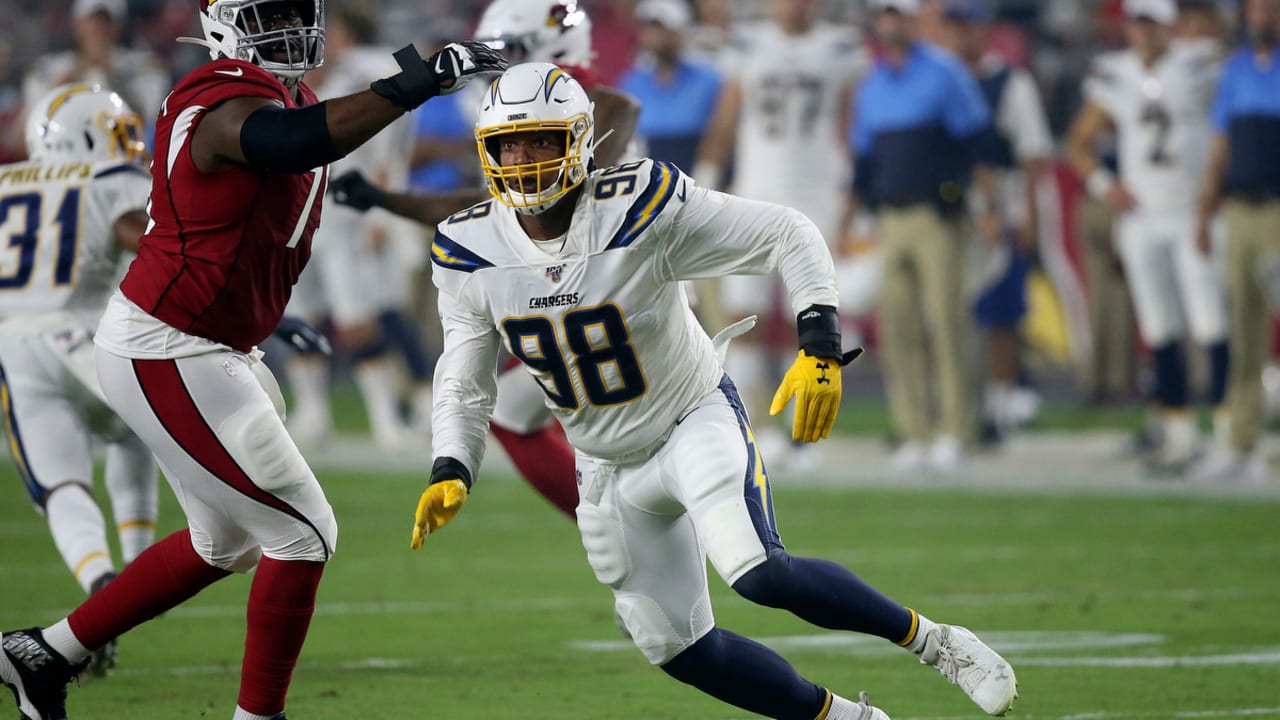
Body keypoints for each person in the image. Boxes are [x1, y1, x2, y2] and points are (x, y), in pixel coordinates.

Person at [412, 61, 1018, 720]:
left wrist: (819, 348)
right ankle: (849, 719)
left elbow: (788, 232)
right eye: (509, 144)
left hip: (688, 415)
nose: (523, 160)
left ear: (581, 141)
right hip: (604, 464)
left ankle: (939, 645)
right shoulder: (468, 248)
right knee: (675, 647)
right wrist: (453, 463)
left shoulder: (637, 204)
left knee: (758, 571)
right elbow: (465, 374)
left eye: (540, 141)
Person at [0, 0, 506, 716]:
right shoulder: (216, 93)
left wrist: (272, 317)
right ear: (222, 22)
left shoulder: (287, 93)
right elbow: (288, 143)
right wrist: (411, 85)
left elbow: (276, 180)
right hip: (167, 344)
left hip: (210, 342)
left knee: (224, 543)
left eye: (299, 10)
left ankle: (43, 654)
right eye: (270, 12)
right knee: (303, 534)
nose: (291, 25)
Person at [0, 83, 158, 678]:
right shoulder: (109, 179)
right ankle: (138, 574)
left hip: (16, 343)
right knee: (135, 434)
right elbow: (148, 242)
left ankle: (100, 579)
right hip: (90, 334)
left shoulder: (5, 182)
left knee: (62, 484)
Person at [694, 0, 865, 465]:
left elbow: (854, 126)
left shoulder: (841, 48)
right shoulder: (747, 46)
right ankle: (756, 427)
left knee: (812, 321)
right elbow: (725, 123)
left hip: (820, 197)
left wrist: (856, 194)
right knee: (742, 313)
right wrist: (704, 187)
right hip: (755, 193)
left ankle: (805, 433)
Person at [1065, 0, 1230, 475]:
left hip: (1191, 211)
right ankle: (1178, 434)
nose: (1144, 33)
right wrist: (1103, 185)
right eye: (1138, 23)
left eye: (1152, 23)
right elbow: (1079, 141)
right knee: (1160, 329)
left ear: (1171, 26)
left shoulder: (1200, 64)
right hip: (1142, 216)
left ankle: (1226, 435)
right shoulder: (1115, 75)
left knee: (1210, 325)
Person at [842, 0, 999, 474]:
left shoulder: (944, 71)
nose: (891, 24)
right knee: (899, 326)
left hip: (939, 215)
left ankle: (955, 429)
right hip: (890, 218)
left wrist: (990, 205)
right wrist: (847, 221)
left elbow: (977, 143)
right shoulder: (870, 86)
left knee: (947, 322)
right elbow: (865, 164)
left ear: (913, 22)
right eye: (885, 16)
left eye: (899, 16)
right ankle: (913, 430)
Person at [282, 6, 428, 448]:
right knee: (300, 317)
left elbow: (388, 153)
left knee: (359, 318)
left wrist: (381, 214)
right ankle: (312, 413)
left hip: (346, 212)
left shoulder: (362, 76)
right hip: (295, 214)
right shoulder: (280, 88)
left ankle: (386, 419)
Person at [942, 0, 1055, 442]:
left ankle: (999, 406)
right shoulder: (937, 75)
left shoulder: (1009, 82)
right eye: (954, 25)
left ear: (984, 29)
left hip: (999, 204)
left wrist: (1026, 215)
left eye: (967, 26)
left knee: (998, 315)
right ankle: (952, 407)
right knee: (949, 313)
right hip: (948, 206)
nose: (960, 35)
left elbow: (1033, 154)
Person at [1193, 0, 1280, 482]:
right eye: (1258, 10)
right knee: (1244, 334)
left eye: (1272, 10)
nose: (1264, 19)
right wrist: (1205, 212)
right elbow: (1220, 146)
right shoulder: (1237, 70)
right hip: (1241, 212)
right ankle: (1243, 444)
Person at [21, 0, 168, 138]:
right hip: (63, 150)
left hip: (121, 152)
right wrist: (78, 71)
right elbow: (34, 121)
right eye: (91, 20)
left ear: (117, 27)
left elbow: (144, 119)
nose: (97, 28)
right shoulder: (50, 66)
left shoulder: (141, 65)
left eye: (105, 21)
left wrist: (109, 72)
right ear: (76, 25)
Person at [619, 0, 724, 174]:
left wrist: (710, 174)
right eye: (648, 28)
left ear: (680, 31)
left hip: (696, 170)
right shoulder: (632, 82)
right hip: (650, 173)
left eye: (662, 28)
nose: (654, 35)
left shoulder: (708, 79)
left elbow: (720, 135)